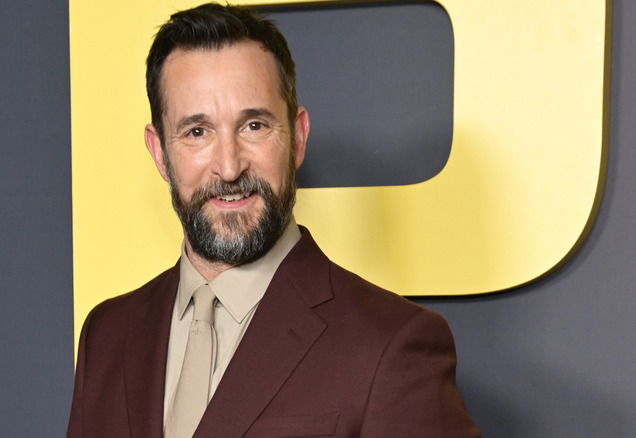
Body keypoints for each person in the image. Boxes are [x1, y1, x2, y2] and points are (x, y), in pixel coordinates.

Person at [67, 3, 480, 437]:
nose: (229, 167)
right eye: (196, 132)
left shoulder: (391, 347)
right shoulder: (107, 336)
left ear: (298, 138)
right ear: (160, 154)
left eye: (254, 126)